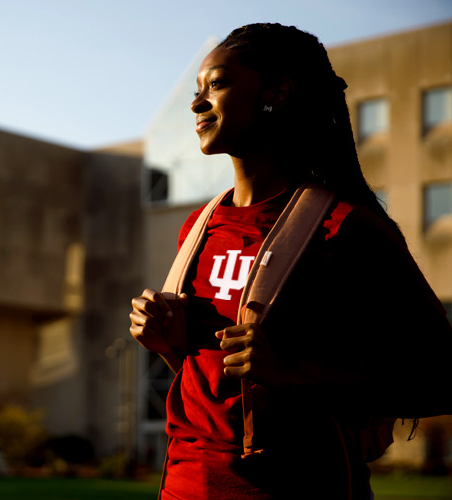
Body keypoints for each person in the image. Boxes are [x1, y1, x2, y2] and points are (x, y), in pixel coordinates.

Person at [129, 23, 452, 500]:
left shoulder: (346, 227)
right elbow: (216, 379)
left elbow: (439, 379)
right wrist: (167, 343)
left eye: (217, 84)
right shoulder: (199, 226)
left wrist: (295, 373)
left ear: (276, 93)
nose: (197, 104)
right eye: (196, 91)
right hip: (184, 484)